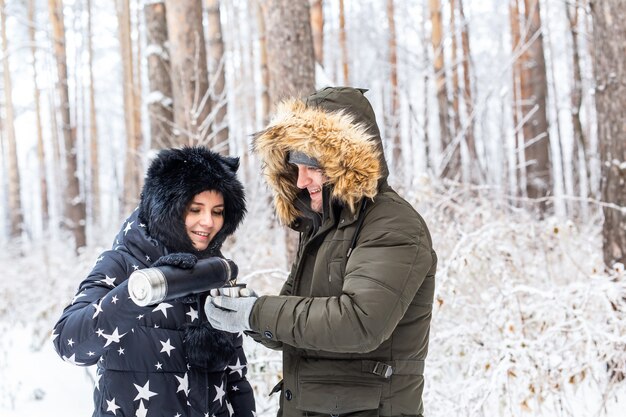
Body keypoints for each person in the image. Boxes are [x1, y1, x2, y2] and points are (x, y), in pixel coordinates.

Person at [205, 87, 437, 417]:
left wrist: (258, 312)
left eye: (310, 165)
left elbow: (357, 324)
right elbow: (298, 325)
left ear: (344, 159)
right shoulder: (322, 229)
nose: (300, 181)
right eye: (294, 166)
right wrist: (249, 314)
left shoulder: (393, 223)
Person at [52, 146, 255, 417]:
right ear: (168, 208)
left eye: (217, 212)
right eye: (195, 209)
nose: (208, 222)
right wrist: (142, 291)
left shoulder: (214, 272)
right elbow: (69, 343)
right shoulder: (122, 263)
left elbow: (236, 379)